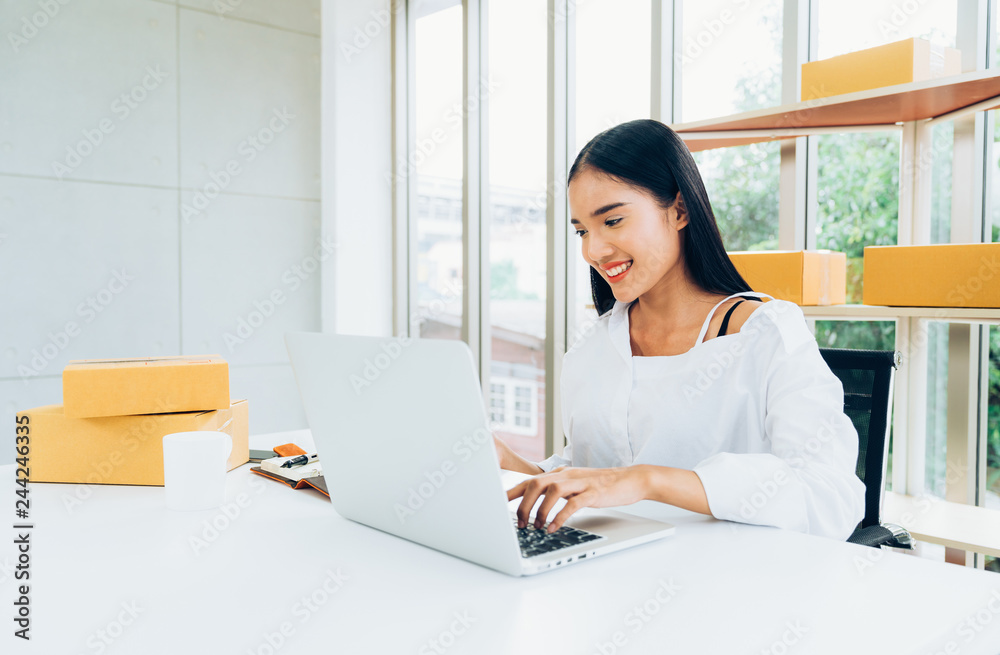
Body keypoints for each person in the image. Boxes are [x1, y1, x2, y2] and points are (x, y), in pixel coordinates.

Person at [495, 119, 865, 541]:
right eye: (582, 230)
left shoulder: (765, 334)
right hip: (608, 575)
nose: (592, 250)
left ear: (680, 210)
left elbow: (829, 495)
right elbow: (592, 474)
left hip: (730, 583)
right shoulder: (592, 348)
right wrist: (510, 464)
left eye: (612, 221)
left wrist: (648, 480)